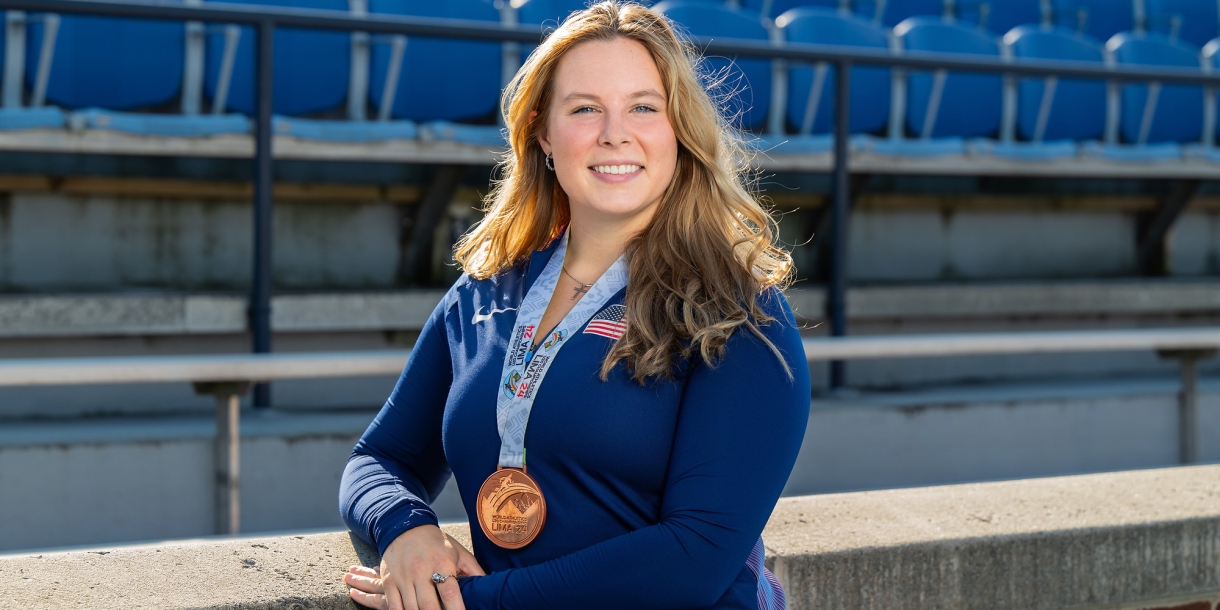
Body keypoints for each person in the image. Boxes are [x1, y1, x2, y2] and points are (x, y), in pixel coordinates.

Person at [338, 2, 811, 608]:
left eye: (644, 107)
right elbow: (381, 458)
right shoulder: (485, 294)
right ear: (542, 132)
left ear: (679, 131)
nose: (615, 132)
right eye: (585, 108)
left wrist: (478, 604)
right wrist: (406, 530)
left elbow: (695, 555)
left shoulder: (739, 313)